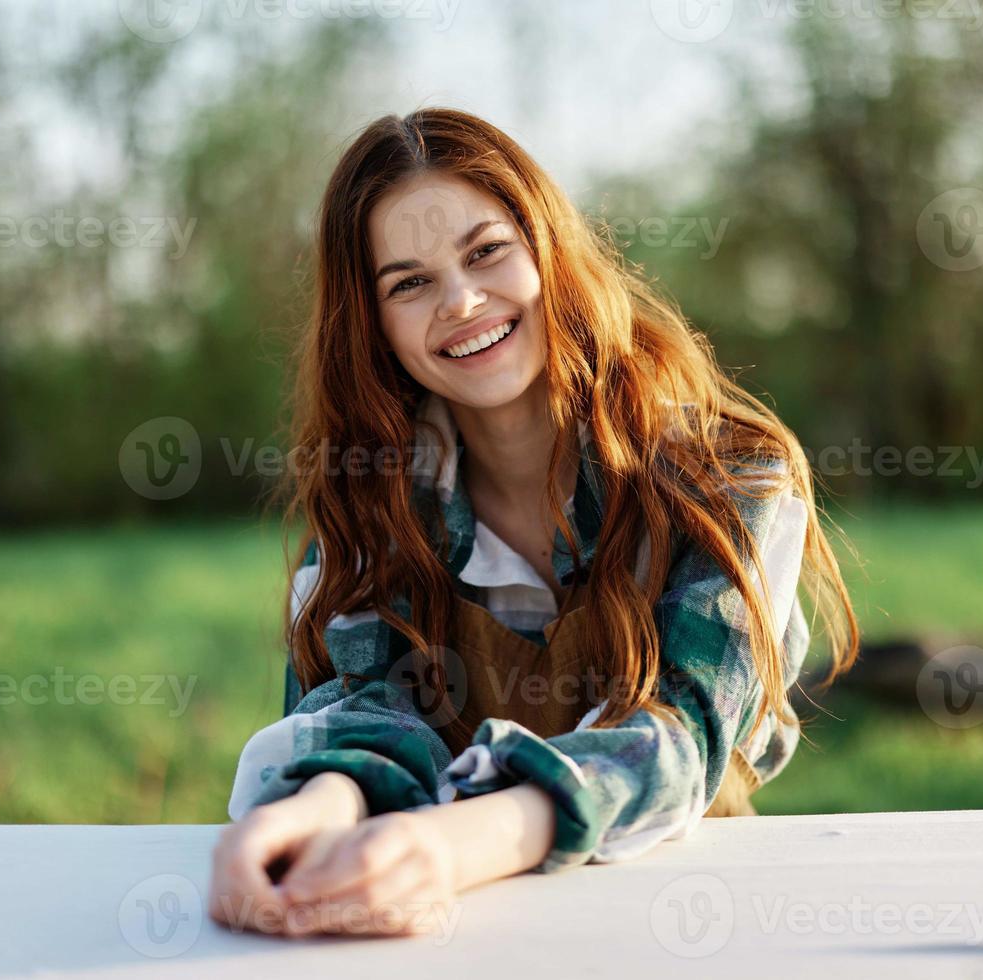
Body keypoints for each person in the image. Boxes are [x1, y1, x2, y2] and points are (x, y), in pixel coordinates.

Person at [210, 107, 859, 939]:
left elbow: (681, 732)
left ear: (548, 250)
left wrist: (451, 845)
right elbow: (364, 705)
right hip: (456, 936)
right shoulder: (368, 506)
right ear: (370, 324)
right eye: (408, 282)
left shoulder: (724, 481)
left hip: (682, 921)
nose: (462, 300)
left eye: (486, 253)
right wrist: (316, 802)